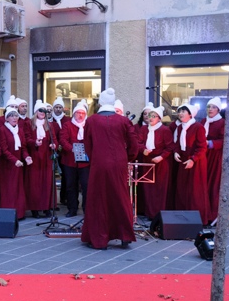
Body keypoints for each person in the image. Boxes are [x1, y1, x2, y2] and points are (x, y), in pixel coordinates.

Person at [81, 88, 139, 250]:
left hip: (99, 163)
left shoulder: (92, 121)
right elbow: (134, 144)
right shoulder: (123, 121)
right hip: (119, 163)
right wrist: (127, 158)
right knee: (120, 197)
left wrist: (95, 158)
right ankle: (124, 235)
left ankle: (99, 238)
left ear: (100, 102)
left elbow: (87, 144)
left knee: (98, 199)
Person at [173, 102, 209, 223]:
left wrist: (193, 159)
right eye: (179, 111)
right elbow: (177, 144)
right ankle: (182, 217)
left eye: (183, 111)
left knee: (195, 190)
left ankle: (197, 219)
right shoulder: (179, 127)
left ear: (190, 114)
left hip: (196, 162)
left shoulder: (198, 127)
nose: (180, 113)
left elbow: (202, 147)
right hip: (183, 160)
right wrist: (176, 152)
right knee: (182, 188)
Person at [136, 103, 174, 220]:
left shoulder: (165, 130)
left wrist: (161, 157)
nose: (150, 118)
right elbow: (139, 142)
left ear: (159, 118)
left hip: (160, 163)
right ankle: (149, 213)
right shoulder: (143, 129)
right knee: (148, 189)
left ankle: (158, 214)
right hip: (147, 161)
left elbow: (170, 147)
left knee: (159, 189)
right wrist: (143, 150)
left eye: (154, 116)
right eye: (149, 116)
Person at [0, 107, 32, 220]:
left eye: (16, 115)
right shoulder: (2, 130)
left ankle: (19, 213)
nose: (14, 118)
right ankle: (8, 213)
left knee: (17, 188)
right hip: (6, 165)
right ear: (6, 118)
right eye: (11, 116)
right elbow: (4, 149)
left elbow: (23, 147)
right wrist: (14, 160)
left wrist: (26, 157)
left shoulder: (19, 130)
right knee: (8, 189)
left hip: (18, 164)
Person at [59, 100, 90, 217]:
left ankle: (87, 208)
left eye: (83, 113)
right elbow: (63, 139)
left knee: (86, 185)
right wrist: (71, 148)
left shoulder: (88, 125)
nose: (80, 115)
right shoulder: (67, 125)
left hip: (85, 162)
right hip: (70, 161)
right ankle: (72, 208)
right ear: (74, 114)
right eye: (78, 113)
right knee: (71, 185)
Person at [25, 100, 55, 218]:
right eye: (40, 110)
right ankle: (35, 208)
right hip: (35, 156)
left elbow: (54, 139)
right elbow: (26, 139)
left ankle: (46, 207)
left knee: (46, 183)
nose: (42, 113)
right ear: (35, 111)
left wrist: (54, 145)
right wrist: (34, 142)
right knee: (35, 183)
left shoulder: (49, 125)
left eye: (44, 111)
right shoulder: (29, 124)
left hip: (46, 157)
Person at [202, 97, 225, 223]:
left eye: (213, 107)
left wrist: (210, 143)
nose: (210, 109)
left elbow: (224, 140)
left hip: (215, 157)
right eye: (208, 107)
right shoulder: (203, 121)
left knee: (214, 184)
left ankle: (215, 214)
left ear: (218, 110)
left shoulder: (222, 123)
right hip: (203, 155)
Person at [49, 97, 70, 205]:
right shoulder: (49, 120)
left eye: (60, 107)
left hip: (64, 151)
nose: (58, 109)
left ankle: (64, 197)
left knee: (65, 175)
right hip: (52, 150)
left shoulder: (67, 120)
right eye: (56, 107)